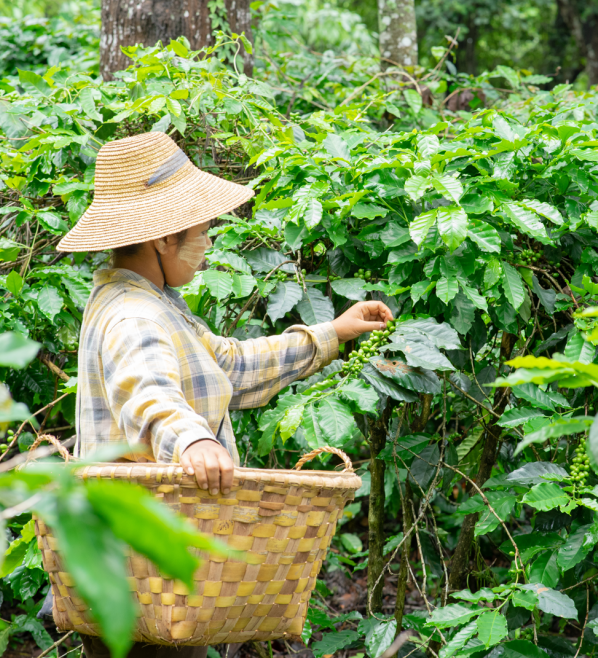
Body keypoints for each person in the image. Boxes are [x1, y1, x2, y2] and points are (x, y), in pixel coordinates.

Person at [54, 131, 392, 658]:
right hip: (149, 577)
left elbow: (227, 365)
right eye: (204, 229)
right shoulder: (135, 315)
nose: (210, 242)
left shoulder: (151, 301)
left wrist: (333, 334)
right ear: (164, 239)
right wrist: (191, 441)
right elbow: (147, 393)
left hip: (140, 575)